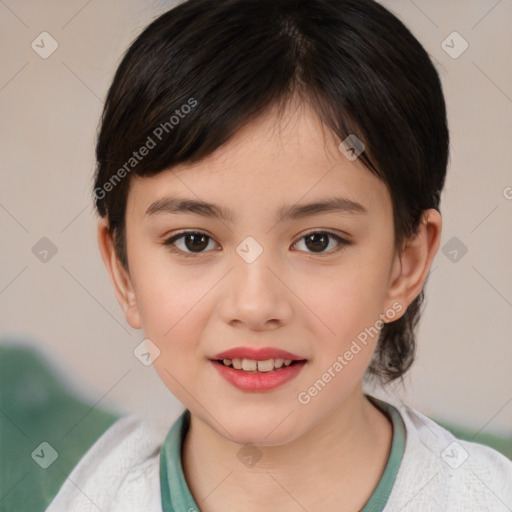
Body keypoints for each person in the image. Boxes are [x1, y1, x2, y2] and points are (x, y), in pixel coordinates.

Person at [46, 0, 512, 510]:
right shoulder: (91, 495)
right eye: (194, 240)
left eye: (318, 241)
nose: (254, 304)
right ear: (123, 270)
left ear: (406, 263)